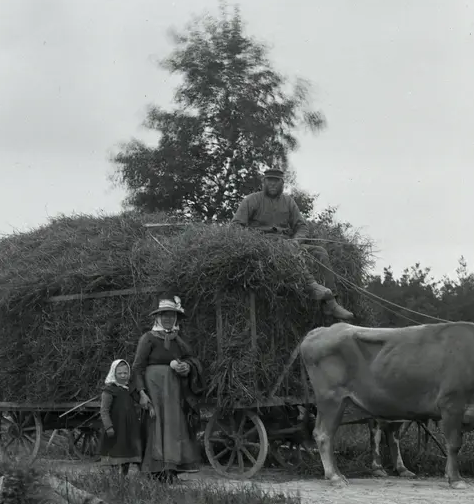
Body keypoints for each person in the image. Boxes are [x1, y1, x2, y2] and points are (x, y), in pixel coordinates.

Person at [232, 166, 354, 321]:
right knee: (287, 248)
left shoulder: (288, 202)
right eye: (269, 180)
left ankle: (332, 302)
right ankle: (311, 285)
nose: (272, 184)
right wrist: (255, 239)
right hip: (262, 244)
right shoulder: (251, 200)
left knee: (320, 252)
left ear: (282, 183)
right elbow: (236, 225)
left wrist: (297, 240)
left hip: (287, 242)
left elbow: (302, 226)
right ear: (263, 182)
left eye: (276, 181)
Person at [130, 295, 205, 483]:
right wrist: (141, 393)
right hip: (154, 391)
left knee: (173, 427)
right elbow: (137, 367)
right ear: (158, 317)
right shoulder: (148, 339)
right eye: (164, 315)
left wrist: (187, 367)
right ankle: (154, 471)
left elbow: (191, 359)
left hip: (173, 392)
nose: (168, 319)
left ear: (176, 318)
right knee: (155, 426)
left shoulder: (178, 340)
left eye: (172, 316)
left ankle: (170, 470)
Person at [98, 358, 141, 475]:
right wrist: (108, 427)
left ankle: (123, 476)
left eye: (125, 373)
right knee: (116, 450)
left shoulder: (130, 389)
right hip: (116, 427)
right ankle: (114, 477)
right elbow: (104, 411)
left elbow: (139, 401)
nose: (123, 376)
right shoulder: (109, 391)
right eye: (120, 373)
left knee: (126, 452)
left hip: (128, 428)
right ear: (114, 373)